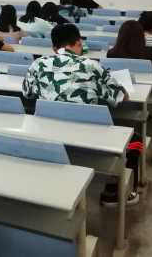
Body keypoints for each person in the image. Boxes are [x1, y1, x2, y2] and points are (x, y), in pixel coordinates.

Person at [23, 23, 140, 206]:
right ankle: (115, 193)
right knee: (136, 139)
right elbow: (120, 97)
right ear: (78, 43)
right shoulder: (91, 65)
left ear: (54, 47)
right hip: (87, 140)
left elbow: (27, 93)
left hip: (48, 134)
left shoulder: (37, 64)